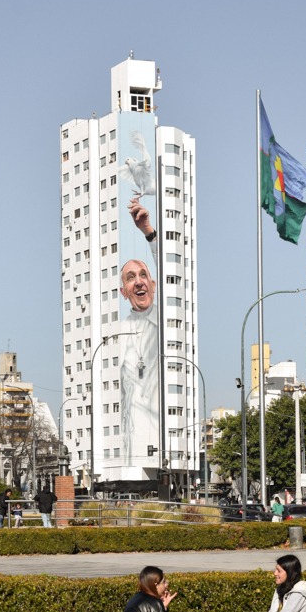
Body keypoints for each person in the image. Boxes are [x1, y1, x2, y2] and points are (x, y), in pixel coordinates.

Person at [120, 198, 160, 471]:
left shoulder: (167, 318)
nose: (138, 281)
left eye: (143, 274)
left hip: (162, 430)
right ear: (124, 291)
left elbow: (172, 268)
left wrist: (149, 232)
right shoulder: (117, 332)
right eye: (130, 277)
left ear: (153, 284)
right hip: (130, 440)